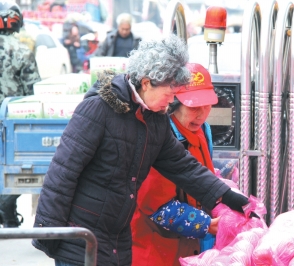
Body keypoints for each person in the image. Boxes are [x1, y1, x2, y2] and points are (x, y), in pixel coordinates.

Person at [32, 34, 249, 266]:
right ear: (146, 83)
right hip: (80, 238)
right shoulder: (98, 109)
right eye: (168, 94)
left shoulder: (156, 120)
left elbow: (182, 166)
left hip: (116, 238)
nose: (170, 102)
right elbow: (63, 171)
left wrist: (229, 198)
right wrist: (50, 233)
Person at [131, 63, 220, 265]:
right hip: (154, 250)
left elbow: (204, 175)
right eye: (194, 107)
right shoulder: (157, 137)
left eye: (207, 106)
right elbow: (156, 207)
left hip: (189, 249)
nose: (202, 114)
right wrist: (207, 224)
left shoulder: (204, 130)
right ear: (174, 103)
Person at [0, 0, 41, 228]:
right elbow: (33, 92)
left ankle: (7, 210)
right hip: (11, 122)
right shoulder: (23, 52)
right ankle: (6, 204)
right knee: (18, 170)